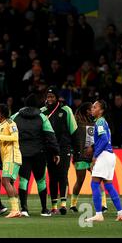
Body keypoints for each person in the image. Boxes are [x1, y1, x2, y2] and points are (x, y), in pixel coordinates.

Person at [12, 94, 60, 217]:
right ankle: (44, 209)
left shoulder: (15, 117)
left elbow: (6, 128)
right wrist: (56, 152)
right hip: (39, 154)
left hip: (22, 153)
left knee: (23, 181)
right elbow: (51, 136)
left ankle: (24, 209)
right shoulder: (42, 117)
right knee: (41, 181)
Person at [86, 100, 122, 222]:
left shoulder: (99, 122)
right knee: (109, 185)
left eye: (95, 107)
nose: (92, 109)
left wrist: (95, 155)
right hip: (110, 155)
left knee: (94, 184)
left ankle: (99, 214)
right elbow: (105, 139)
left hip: (103, 155)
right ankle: (120, 213)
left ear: (101, 110)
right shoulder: (103, 122)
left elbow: (103, 140)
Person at [41, 86, 77, 215]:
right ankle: (54, 206)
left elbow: (73, 130)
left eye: (52, 97)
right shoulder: (42, 111)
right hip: (49, 149)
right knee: (52, 177)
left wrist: (76, 149)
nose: (50, 99)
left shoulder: (66, 110)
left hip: (64, 148)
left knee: (63, 174)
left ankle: (63, 204)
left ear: (57, 98)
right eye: (48, 97)